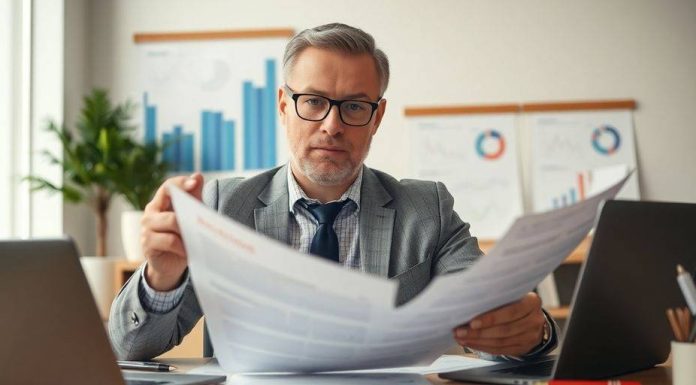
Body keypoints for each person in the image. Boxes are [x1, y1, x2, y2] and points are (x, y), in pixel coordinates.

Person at [109, 23, 557, 361]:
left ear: (377, 118)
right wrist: (160, 278)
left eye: (355, 106)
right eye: (314, 101)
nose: (332, 124)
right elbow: (130, 347)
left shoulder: (428, 209)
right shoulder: (224, 207)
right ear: (285, 106)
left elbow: (487, 314)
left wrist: (527, 332)